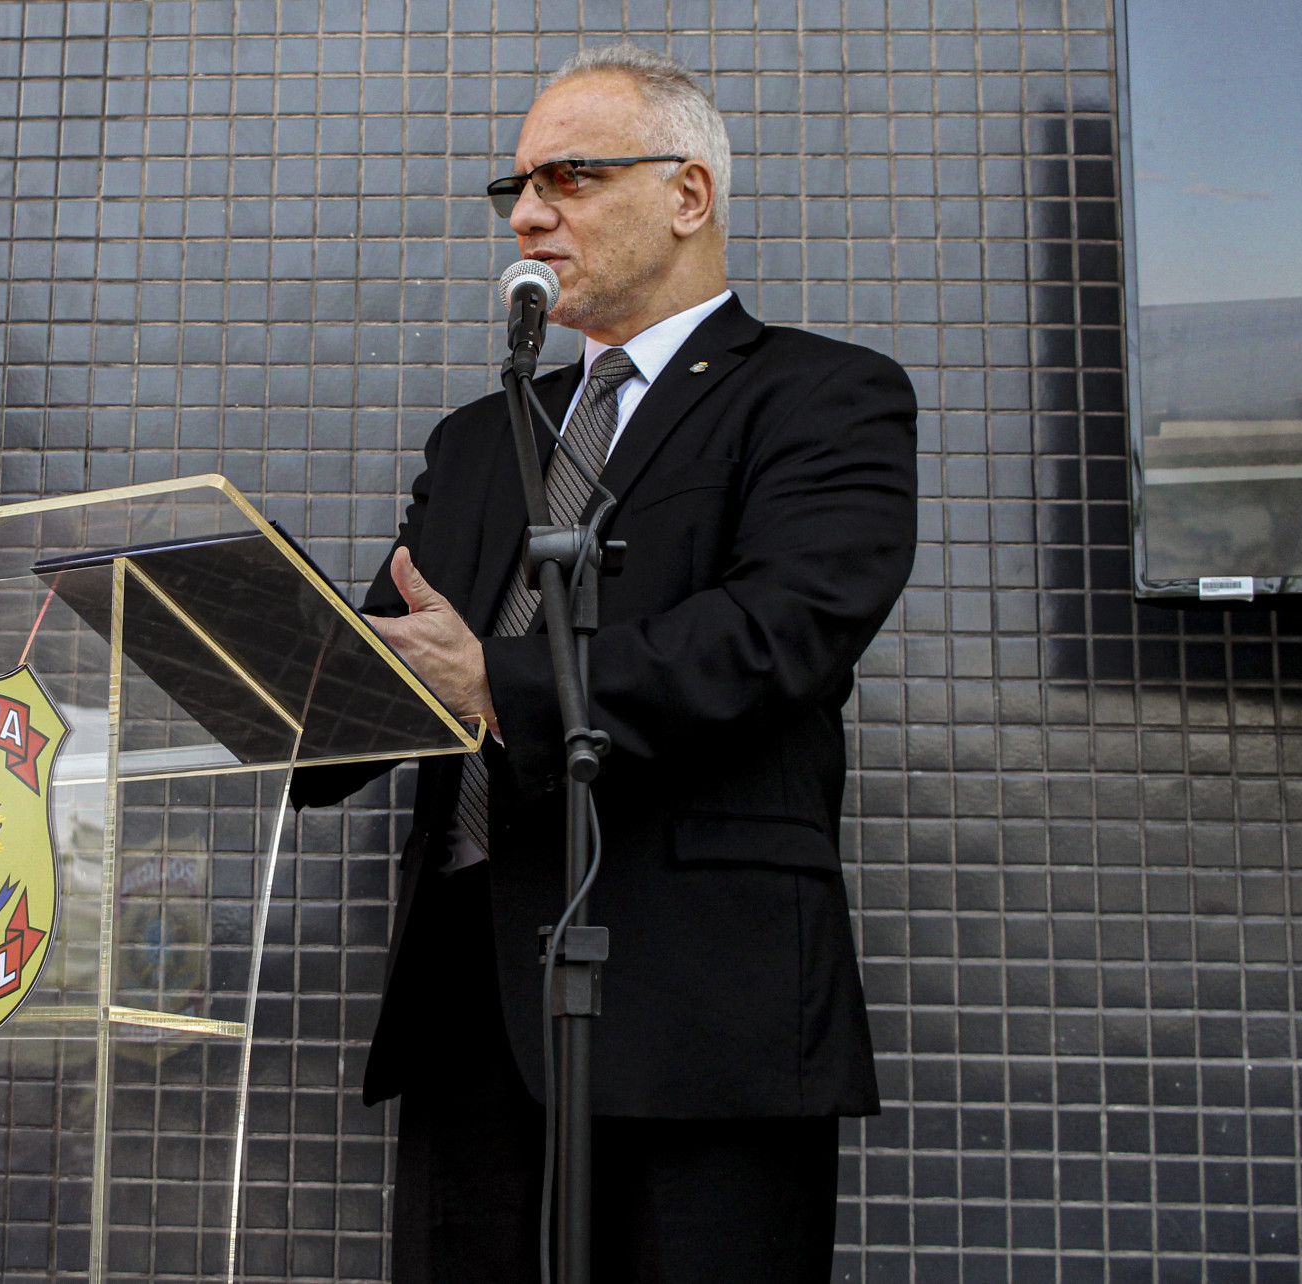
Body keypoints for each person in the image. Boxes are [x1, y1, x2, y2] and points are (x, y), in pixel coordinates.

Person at [292, 42, 918, 1284]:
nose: (528, 215)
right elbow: (402, 664)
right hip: (472, 1009)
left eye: (569, 177)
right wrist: (245, 660)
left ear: (689, 194)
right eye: (517, 187)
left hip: (701, 1010)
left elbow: (781, 632)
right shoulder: (480, 439)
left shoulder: (823, 396)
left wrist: (501, 686)